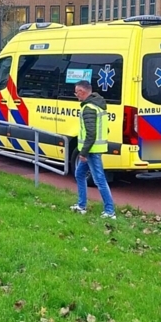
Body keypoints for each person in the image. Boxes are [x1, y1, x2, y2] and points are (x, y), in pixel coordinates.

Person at [71, 79, 116, 219]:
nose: (76, 95)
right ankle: (81, 205)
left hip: (91, 151)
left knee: (99, 180)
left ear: (82, 92)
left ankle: (110, 211)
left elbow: (91, 133)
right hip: (94, 148)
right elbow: (104, 128)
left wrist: (83, 153)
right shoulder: (98, 105)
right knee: (79, 175)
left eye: (76, 92)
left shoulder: (88, 108)